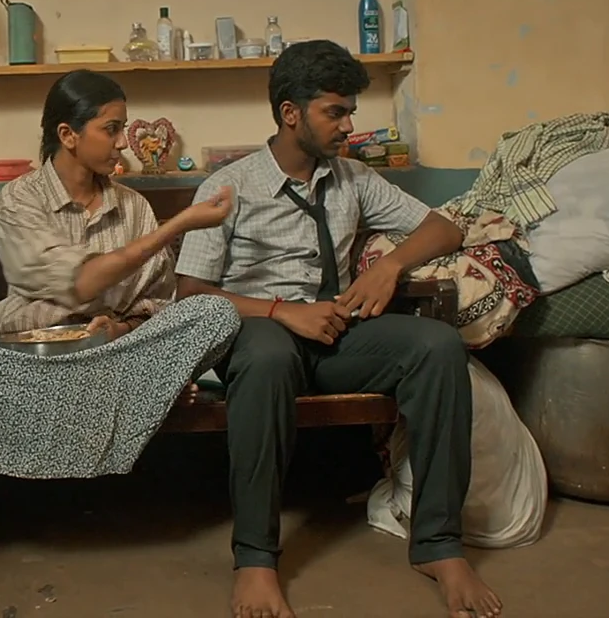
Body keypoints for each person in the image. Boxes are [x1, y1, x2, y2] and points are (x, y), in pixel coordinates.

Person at [174, 40, 501, 618]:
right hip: (260, 336)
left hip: (337, 335)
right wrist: (281, 310)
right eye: (335, 112)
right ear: (290, 112)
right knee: (269, 357)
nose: (348, 125)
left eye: (350, 111)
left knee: (437, 346)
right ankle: (255, 560)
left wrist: (391, 266)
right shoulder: (228, 188)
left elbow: (444, 229)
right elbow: (191, 294)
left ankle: (439, 546)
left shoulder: (353, 178)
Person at [0, 69, 235, 339]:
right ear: (68, 135)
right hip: (33, 349)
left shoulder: (134, 206)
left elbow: (159, 304)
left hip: (119, 349)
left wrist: (121, 329)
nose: (123, 143)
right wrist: (179, 224)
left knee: (216, 313)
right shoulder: (19, 198)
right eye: (111, 129)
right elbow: (80, 283)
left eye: (123, 129)